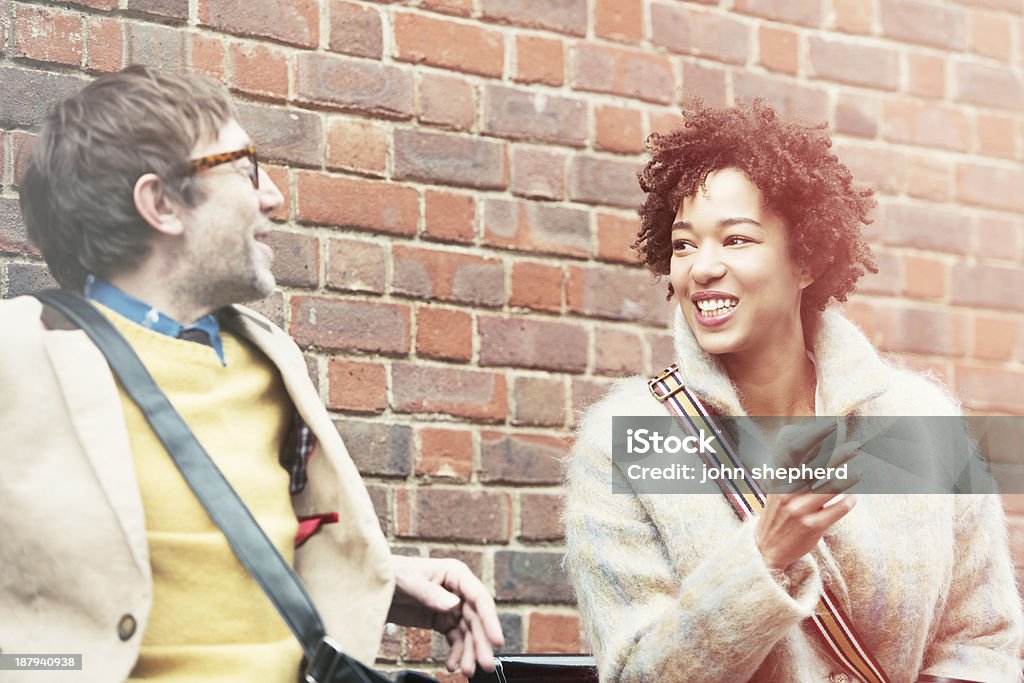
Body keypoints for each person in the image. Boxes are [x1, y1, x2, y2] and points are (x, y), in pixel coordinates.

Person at [0, 65, 502, 682]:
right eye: (245, 169)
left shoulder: (270, 360)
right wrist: (53, 667)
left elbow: (207, 553)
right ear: (161, 203)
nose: (274, 196)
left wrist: (373, 577)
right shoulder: (19, 353)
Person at [564, 100, 1024, 682]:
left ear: (805, 258)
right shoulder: (624, 443)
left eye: (736, 239)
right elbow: (638, 675)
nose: (701, 267)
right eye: (684, 245)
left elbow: (982, 645)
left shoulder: (919, 421)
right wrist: (762, 559)